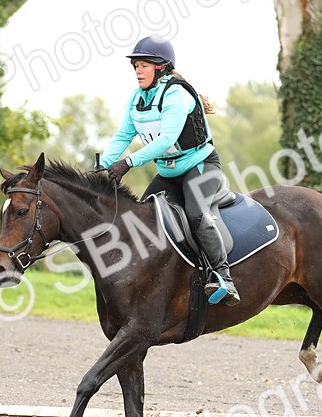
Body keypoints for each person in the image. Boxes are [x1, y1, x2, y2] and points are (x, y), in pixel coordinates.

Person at [99, 35, 240, 305]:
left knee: (196, 213)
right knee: (141, 218)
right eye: (136, 66)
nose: (138, 71)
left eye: (144, 65)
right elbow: (123, 136)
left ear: (160, 67)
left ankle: (224, 277)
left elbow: (165, 140)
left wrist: (128, 162)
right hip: (168, 173)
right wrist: (102, 164)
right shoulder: (137, 98)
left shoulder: (176, 94)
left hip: (201, 166)